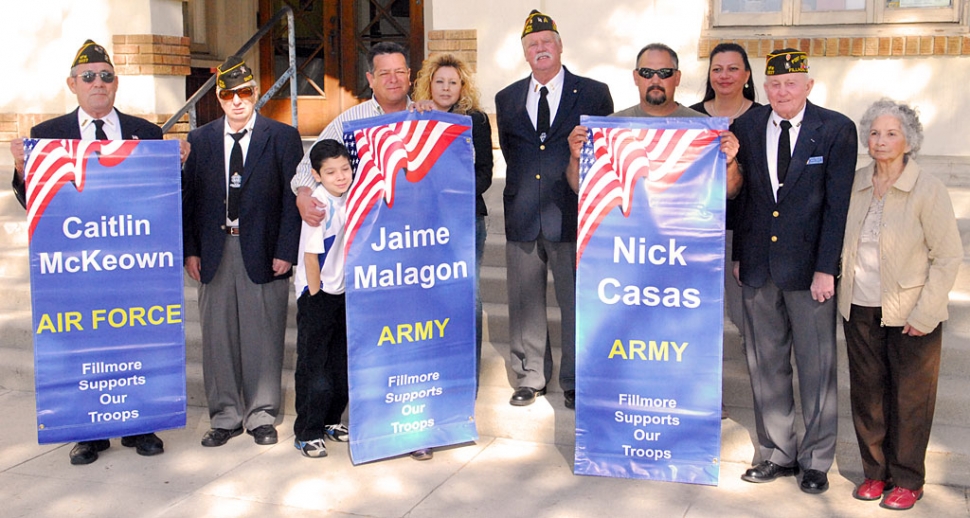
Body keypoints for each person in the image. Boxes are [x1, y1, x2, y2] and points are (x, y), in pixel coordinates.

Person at [8, 39, 187, 465]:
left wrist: (178, 164)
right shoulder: (48, 136)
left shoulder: (148, 133)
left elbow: (164, 199)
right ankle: (89, 433)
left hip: (135, 266)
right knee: (83, 344)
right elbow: (36, 203)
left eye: (106, 76)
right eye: (88, 77)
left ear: (116, 83)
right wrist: (21, 170)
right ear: (73, 84)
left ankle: (142, 424)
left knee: (137, 339)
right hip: (78, 268)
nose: (98, 83)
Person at [732, 49, 857, 494]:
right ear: (764, 88)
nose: (782, 91)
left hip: (810, 273)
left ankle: (816, 460)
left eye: (791, 83)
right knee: (766, 365)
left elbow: (838, 207)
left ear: (808, 85)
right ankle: (777, 452)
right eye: (774, 84)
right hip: (759, 269)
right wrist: (740, 256)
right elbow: (745, 199)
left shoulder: (836, 129)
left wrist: (828, 268)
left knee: (816, 366)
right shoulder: (746, 126)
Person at [838, 99, 962, 510]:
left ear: (909, 140)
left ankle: (908, 478)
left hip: (912, 311)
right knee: (868, 395)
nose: (881, 140)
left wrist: (925, 312)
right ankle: (875, 473)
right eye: (874, 132)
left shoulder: (928, 188)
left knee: (911, 399)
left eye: (891, 133)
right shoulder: (855, 184)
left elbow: (947, 256)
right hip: (860, 306)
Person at [181, 56, 303, 448]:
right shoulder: (199, 141)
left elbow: (293, 198)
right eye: (228, 94)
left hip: (265, 251)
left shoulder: (282, 137)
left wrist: (287, 249)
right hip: (215, 251)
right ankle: (226, 414)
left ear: (256, 94)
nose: (237, 101)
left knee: (264, 335)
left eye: (245, 93)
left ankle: (261, 414)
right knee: (218, 336)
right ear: (218, 98)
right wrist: (191, 250)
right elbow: (190, 201)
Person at [495, 9, 613, 409]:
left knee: (576, 301)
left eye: (547, 42)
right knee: (525, 302)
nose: (540, 49)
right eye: (532, 45)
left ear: (560, 46)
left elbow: (603, 153)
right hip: (523, 213)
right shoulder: (507, 98)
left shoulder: (594, 92)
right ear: (525, 54)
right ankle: (530, 376)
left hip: (573, 212)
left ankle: (577, 378)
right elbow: (514, 154)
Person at [689, 42, 762, 420]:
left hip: (744, 235)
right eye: (718, 69)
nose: (725, 75)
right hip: (696, 236)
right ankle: (705, 397)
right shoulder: (691, 117)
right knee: (699, 323)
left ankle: (767, 400)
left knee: (749, 322)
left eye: (734, 68)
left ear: (747, 75)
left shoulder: (765, 118)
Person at [412, 53, 493, 391]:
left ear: (463, 87)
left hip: (465, 221)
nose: (446, 88)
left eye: (453, 83)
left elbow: (485, 173)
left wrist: (450, 191)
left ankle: (465, 378)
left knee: (466, 296)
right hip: (425, 225)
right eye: (440, 81)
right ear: (429, 84)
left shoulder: (475, 120)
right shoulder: (417, 118)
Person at [565, 43, 742, 199]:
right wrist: (576, 157)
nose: (655, 80)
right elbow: (580, 188)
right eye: (647, 73)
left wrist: (730, 162)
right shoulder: (611, 127)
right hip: (626, 234)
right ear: (636, 77)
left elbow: (730, 192)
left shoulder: (704, 128)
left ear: (677, 77)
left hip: (686, 233)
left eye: (664, 73)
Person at [291, 41, 411, 226]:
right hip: (369, 227)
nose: (393, 79)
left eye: (400, 72)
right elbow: (312, 161)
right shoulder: (351, 121)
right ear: (370, 79)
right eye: (384, 73)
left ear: (409, 75)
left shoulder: (426, 118)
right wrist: (304, 195)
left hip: (418, 227)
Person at [291, 140, 353, 459]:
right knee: (314, 366)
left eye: (344, 168)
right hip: (317, 293)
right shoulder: (318, 204)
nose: (340, 176)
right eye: (331, 172)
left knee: (339, 362)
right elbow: (312, 258)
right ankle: (308, 431)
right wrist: (315, 299)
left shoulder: (351, 197)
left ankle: (331, 420)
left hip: (342, 292)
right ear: (317, 175)